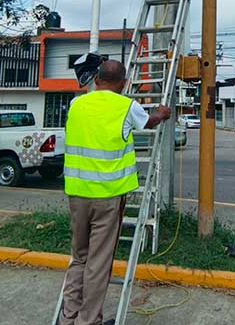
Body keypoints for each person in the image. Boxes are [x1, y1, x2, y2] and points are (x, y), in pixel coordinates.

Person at [60, 60, 171, 325]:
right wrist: (162, 113)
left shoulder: (76, 104)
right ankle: (88, 321)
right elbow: (149, 122)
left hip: (77, 194)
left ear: (97, 80)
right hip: (108, 198)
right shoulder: (126, 106)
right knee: (98, 263)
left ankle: (68, 317)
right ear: (124, 83)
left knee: (79, 258)